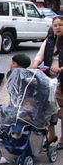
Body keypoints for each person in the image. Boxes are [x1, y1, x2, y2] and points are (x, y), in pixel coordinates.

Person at [31, 15, 63, 149]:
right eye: (55, 25)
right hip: (49, 80)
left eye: (60, 25)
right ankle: (51, 135)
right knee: (46, 108)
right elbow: (40, 55)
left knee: (60, 110)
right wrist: (35, 64)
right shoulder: (49, 40)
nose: (57, 27)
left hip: (61, 81)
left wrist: (61, 69)